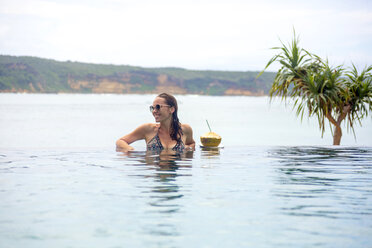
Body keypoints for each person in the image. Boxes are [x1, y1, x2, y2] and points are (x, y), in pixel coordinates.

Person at [116, 93, 195, 152]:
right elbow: (120, 141)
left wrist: (189, 149)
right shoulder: (147, 129)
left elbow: (192, 144)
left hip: (175, 172)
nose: (154, 111)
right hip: (153, 172)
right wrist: (131, 150)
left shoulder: (185, 129)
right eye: (152, 108)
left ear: (171, 109)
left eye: (158, 107)